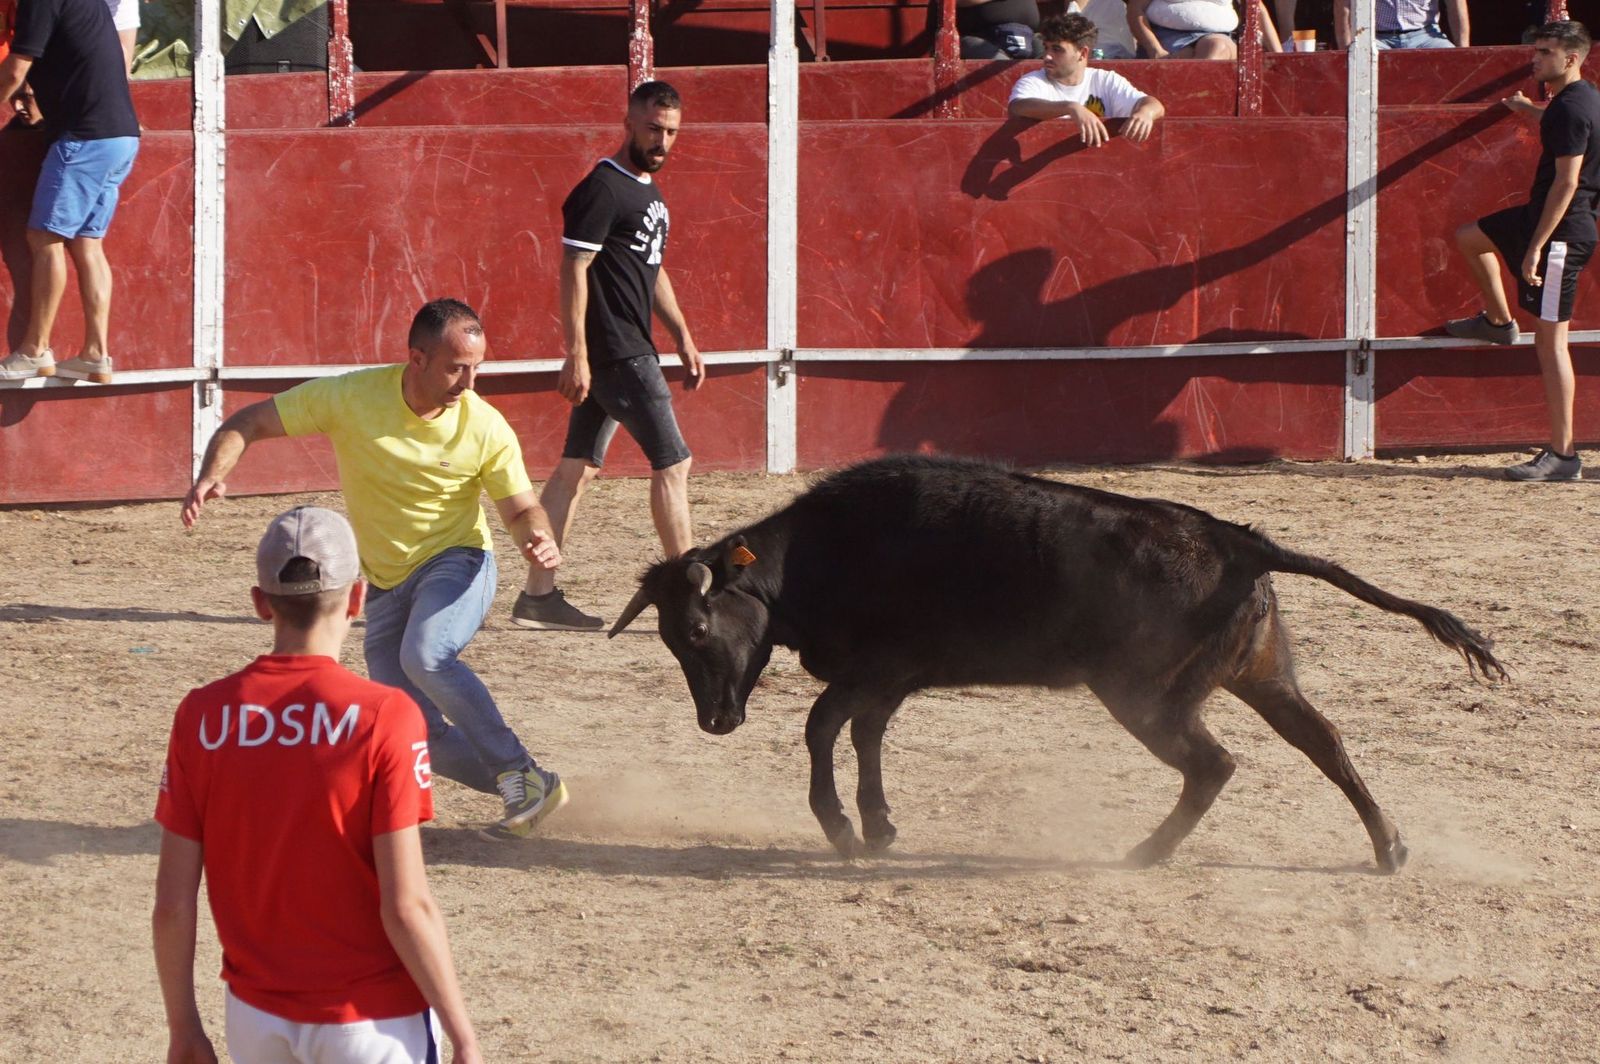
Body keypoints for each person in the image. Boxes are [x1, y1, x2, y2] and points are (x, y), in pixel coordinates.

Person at [182, 299, 572, 837]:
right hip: (386, 583)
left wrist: (537, 540)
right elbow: (247, 423)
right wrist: (211, 475)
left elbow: (522, 508)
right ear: (417, 358)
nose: (470, 381)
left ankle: (516, 771)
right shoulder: (351, 396)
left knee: (427, 656)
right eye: (458, 367)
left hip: (457, 561)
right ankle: (534, 785)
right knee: (412, 728)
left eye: (478, 366)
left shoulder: (484, 425)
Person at [153, 506, 482, 1064]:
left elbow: (172, 903)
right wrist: (464, 1035)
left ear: (261, 603)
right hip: (372, 1020)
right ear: (358, 597)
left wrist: (184, 1028)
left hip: (254, 1018)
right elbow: (406, 906)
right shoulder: (386, 715)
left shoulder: (201, 715)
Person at [514, 80, 706, 631]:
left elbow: (652, 268)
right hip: (618, 354)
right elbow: (573, 269)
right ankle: (686, 596)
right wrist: (575, 353)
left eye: (670, 131)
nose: (662, 140)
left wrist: (683, 335)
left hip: (625, 350)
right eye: (652, 128)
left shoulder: (647, 190)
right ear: (628, 121)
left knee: (576, 470)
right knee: (675, 463)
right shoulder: (603, 188)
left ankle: (537, 596)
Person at [1444, 21, 1596, 482]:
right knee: (1469, 237)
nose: (1534, 59)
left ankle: (1563, 455)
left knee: (1551, 345)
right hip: (1548, 222)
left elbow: (1567, 182)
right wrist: (1530, 110)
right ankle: (1497, 322)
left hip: (1558, 233)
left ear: (1570, 59)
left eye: (1544, 53)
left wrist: (1536, 247)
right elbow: (1563, 132)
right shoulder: (1578, 99)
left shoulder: (1571, 110)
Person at [0, 0, 139, 386]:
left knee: (44, 237)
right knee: (87, 243)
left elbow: (16, 68)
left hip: (84, 138)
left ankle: (34, 350)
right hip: (121, 136)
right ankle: (95, 354)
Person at [1007, 13, 1166, 147]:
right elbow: (1018, 107)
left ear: (1082, 53)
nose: (1047, 56)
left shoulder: (1105, 80)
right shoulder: (1033, 81)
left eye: (1057, 49)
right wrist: (1071, 108)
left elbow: (1153, 104)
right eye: (1046, 47)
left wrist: (1146, 113)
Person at [1127, 0, 1283, 60]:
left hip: (1219, 37)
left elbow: (1256, 9)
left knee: (1216, 48)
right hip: (1166, 38)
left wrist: (1280, 57)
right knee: (1184, 56)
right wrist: (1155, 50)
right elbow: (1135, 10)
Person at [1334, 0, 1468, 50]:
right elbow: (1343, 7)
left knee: (1453, 65)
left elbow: (1456, 5)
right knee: (1359, 67)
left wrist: (1464, 51)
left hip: (1426, 36)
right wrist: (1345, 52)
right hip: (1376, 38)